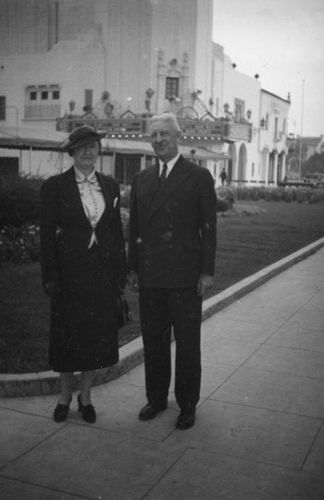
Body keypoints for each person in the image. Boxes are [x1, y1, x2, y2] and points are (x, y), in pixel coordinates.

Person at [128, 112, 217, 430]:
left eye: (164, 133)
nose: (158, 140)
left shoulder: (198, 176)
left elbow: (209, 228)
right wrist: (133, 268)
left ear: (178, 137)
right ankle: (156, 399)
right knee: (153, 340)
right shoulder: (142, 179)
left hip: (184, 277)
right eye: (154, 135)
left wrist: (206, 272)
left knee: (188, 343)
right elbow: (134, 228)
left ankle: (187, 404)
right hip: (151, 276)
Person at [40, 125, 126, 424]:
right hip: (68, 275)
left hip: (101, 275)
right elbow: (46, 236)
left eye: (94, 146)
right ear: (73, 152)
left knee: (94, 336)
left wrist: (120, 271)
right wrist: (50, 276)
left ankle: (85, 397)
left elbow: (115, 232)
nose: (90, 151)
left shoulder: (111, 186)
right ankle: (64, 396)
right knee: (66, 336)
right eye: (83, 146)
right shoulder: (55, 186)